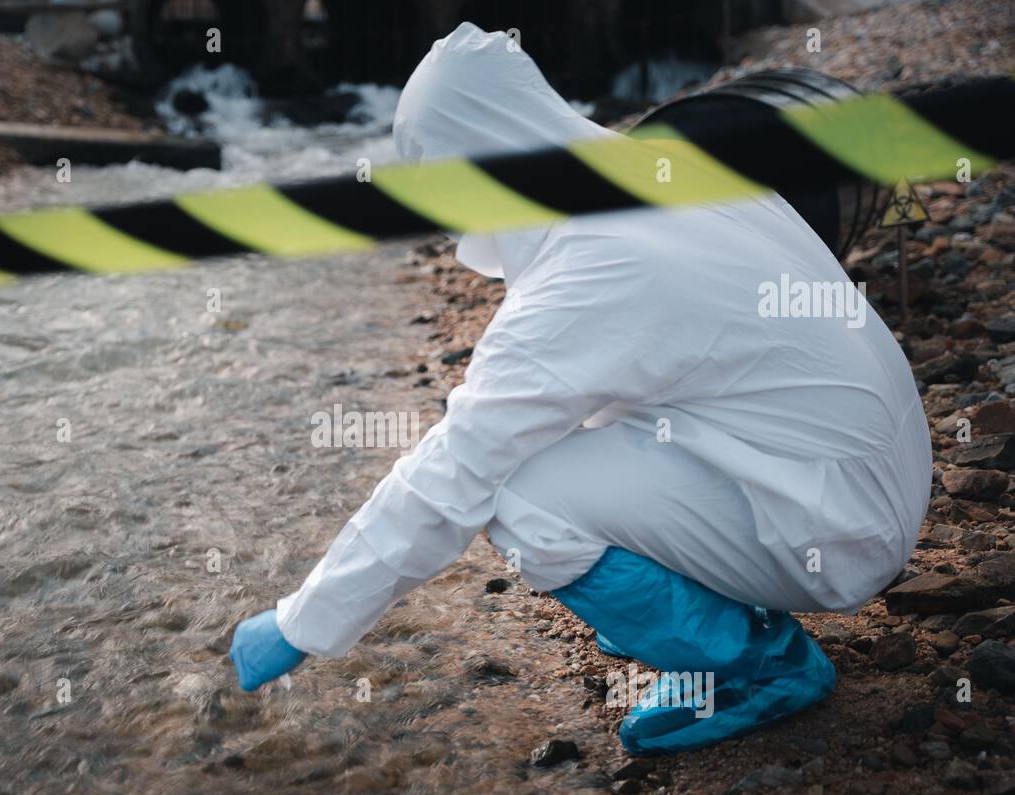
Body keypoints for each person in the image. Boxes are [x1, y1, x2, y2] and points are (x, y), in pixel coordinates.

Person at [229, 23, 931, 754]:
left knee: (518, 494)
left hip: (835, 527)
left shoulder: (588, 272)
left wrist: (300, 621)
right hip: (870, 474)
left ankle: (760, 667)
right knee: (563, 437)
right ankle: (698, 609)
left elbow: (453, 474)